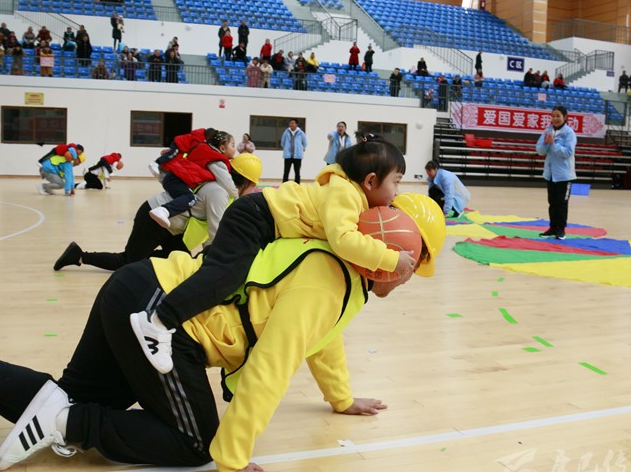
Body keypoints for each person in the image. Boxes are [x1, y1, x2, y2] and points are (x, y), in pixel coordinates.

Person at [0, 192, 444, 472]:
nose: (408, 273)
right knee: (195, 443)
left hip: (139, 286)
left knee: (72, 393)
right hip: (164, 319)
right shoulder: (329, 280)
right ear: (395, 251)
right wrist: (232, 458)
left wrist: (341, 398)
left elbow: (322, 341)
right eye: (413, 262)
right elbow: (271, 366)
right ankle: (66, 424)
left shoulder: (340, 273)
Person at [131, 139, 421, 375]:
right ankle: (158, 321)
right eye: (396, 182)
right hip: (254, 218)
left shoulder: (347, 192)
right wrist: (391, 259)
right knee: (224, 277)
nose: (397, 192)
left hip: (261, 221)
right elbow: (344, 239)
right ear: (370, 180)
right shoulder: (346, 194)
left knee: (222, 269)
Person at [55, 154, 262, 272]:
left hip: (171, 227)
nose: (254, 189)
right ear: (247, 182)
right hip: (153, 219)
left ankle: (144, 263)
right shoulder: (219, 193)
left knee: (179, 261)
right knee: (128, 262)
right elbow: (216, 232)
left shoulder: (224, 191)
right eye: (254, 185)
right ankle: (79, 255)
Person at [148, 132, 238, 228]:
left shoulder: (204, 151)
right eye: (233, 145)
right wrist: (237, 196)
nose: (235, 149)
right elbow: (226, 182)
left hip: (174, 176)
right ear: (222, 148)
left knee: (187, 195)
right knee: (190, 198)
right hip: (177, 179)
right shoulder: (216, 161)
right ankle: (164, 211)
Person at [535, 106, 576, 240]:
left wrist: (553, 144)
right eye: (553, 116)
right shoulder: (547, 131)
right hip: (551, 174)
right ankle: (552, 228)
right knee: (552, 202)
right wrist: (545, 143)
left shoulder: (569, 133)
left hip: (564, 175)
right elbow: (539, 151)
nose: (555, 119)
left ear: (565, 117)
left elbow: (568, 152)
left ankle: (561, 230)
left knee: (561, 204)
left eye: (558, 116)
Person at [280, 118, 307, 183]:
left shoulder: (301, 133)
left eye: (293, 123)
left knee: (297, 172)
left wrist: (300, 149)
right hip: (288, 156)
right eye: (290, 123)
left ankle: (297, 185)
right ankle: (284, 185)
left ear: (296, 124)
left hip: (297, 156)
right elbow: (282, 143)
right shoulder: (286, 132)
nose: (291, 124)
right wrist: (286, 149)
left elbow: (305, 143)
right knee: (286, 172)